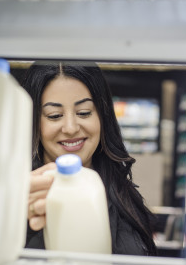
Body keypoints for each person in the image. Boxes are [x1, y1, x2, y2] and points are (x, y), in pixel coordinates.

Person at [20, 60, 158, 256]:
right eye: (54, 115)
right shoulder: (24, 194)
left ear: (102, 116)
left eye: (84, 113)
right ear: (34, 121)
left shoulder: (121, 192)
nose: (70, 128)